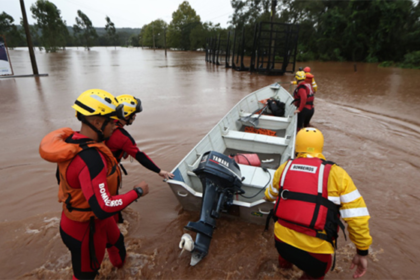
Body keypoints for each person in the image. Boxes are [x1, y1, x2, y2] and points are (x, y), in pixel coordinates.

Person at [39, 89, 149, 279]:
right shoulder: (91, 158)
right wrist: (137, 192)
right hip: (84, 230)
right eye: (112, 121)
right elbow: (103, 206)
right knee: (86, 275)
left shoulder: (73, 142)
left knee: (118, 245)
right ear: (97, 122)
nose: (116, 126)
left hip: (97, 221)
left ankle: (120, 273)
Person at [265, 128, 372, 279]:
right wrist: (362, 251)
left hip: (282, 242)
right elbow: (357, 217)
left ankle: (283, 271)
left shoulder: (284, 168)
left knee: (284, 264)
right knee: (312, 275)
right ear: (320, 147)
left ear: (297, 146)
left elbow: (269, 195)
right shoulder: (337, 174)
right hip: (315, 253)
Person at [105, 94, 174, 180]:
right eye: (133, 114)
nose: (135, 116)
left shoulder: (103, 125)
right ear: (126, 116)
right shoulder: (124, 138)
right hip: (107, 173)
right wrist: (159, 171)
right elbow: (139, 156)